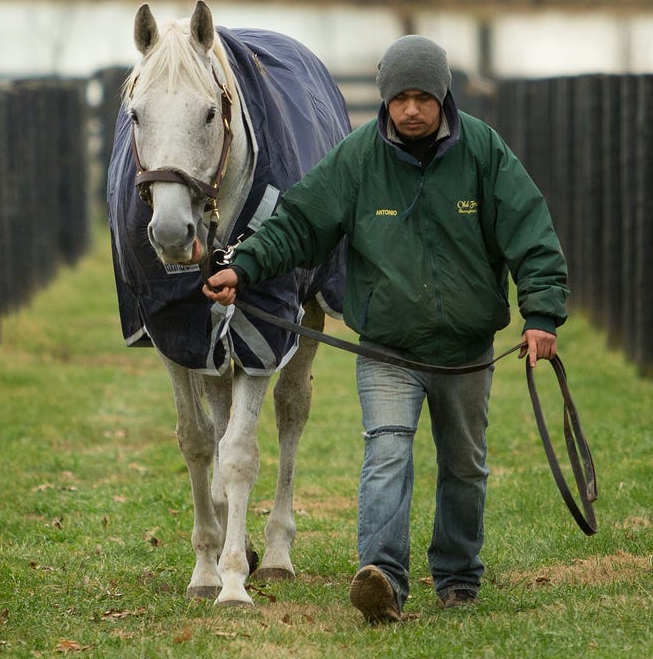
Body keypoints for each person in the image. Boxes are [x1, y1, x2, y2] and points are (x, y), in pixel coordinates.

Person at [202, 35, 569, 624]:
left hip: (467, 351)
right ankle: (383, 578)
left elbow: (530, 230)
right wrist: (241, 267)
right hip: (388, 348)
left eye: (425, 97)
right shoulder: (356, 159)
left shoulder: (483, 152)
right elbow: (297, 223)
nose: (413, 110)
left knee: (464, 463)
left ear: (443, 95)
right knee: (387, 452)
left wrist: (543, 315)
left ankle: (456, 577)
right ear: (386, 100)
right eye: (402, 98)